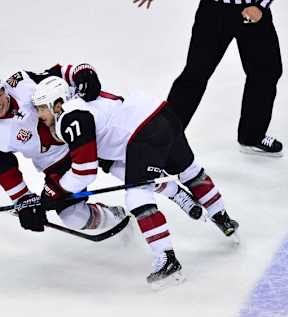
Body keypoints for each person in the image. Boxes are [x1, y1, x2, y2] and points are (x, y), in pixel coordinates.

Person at [31, 74, 239, 287]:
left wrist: (54, 192)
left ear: (56, 103)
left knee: (137, 196)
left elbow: (85, 172)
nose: (39, 114)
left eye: (41, 108)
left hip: (144, 133)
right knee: (189, 171)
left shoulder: (70, 117)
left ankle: (167, 259)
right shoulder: (82, 103)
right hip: (162, 114)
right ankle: (221, 216)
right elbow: (111, 159)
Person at [0, 65, 200, 235]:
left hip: (82, 137)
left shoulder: (21, 82)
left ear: (4, 89)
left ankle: (176, 193)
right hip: (55, 164)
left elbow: (58, 74)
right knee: (73, 217)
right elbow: (5, 172)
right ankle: (118, 219)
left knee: (130, 173)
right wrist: (25, 201)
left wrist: (81, 72)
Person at [135, 0, 284, 157]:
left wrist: (261, 5)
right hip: (214, 11)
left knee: (266, 72)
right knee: (195, 74)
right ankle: (163, 141)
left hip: (254, 11)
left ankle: (252, 136)